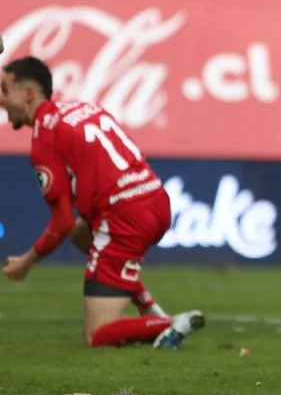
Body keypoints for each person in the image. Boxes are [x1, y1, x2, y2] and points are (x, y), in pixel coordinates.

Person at [0, 57, 204, 349]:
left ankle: (170, 323)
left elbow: (61, 221)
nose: (1, 101)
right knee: (82, 234)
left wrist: (26, 262)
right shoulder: (82, 108)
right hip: (156, 201)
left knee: (97, 334)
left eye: (5, 91)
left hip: (124, 218)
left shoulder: (44, 135)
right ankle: (149, 308)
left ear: (29, 93)